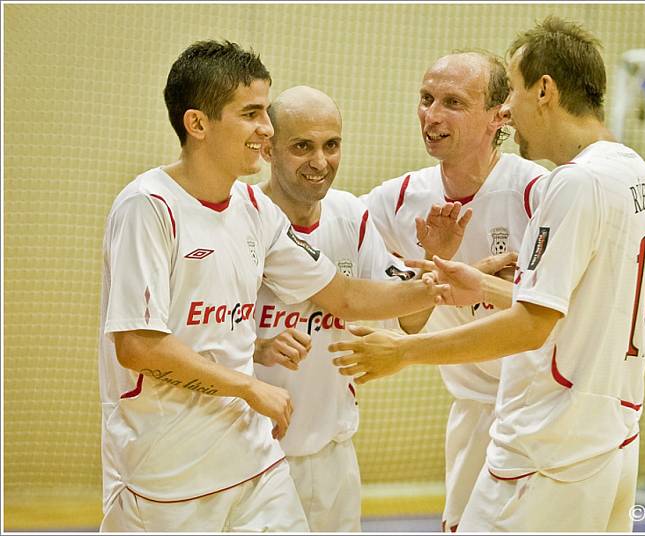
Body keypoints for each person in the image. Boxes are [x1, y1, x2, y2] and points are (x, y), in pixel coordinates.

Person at [333, 16, 645, 532]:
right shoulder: (638, 175)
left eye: (509, 93)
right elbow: (584, 304)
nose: (508, 111)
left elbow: (532, 324)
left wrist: (401, 354)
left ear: (545, 90)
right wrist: (482, 286)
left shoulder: (568, 185)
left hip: (549, 441)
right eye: (428, 98)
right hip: (612, 434)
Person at [99, 40, 449, 533]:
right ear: (197, 124)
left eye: (266, 112)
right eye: (251, 114)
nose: (265, 129)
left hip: (252, 462)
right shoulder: (148, 206)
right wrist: (249, 386)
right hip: (165, 474)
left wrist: (438, 282)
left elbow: (344, 295)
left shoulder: (254, 211)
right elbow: (137, 346)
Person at [360, 50, 549, 532]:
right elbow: (407, 318)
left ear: (498, 115)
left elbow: (565, 310)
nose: (433, 116)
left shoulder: (537, 191)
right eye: (426, 99)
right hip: (473, 413)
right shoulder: (395, 201)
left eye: (453, 102)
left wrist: (486, 284)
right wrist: (429, 282)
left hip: (544, 412)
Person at [251, 85, 423, 531]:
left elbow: (408, 318)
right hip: (251, 455)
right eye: (302, 146)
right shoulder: (241, 217)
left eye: (331, 145)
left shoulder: (350, 214)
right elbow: (199, 331)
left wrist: (441, 270)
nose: (320, 161)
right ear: (268, 148)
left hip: (333, 455)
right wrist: (257, 346)